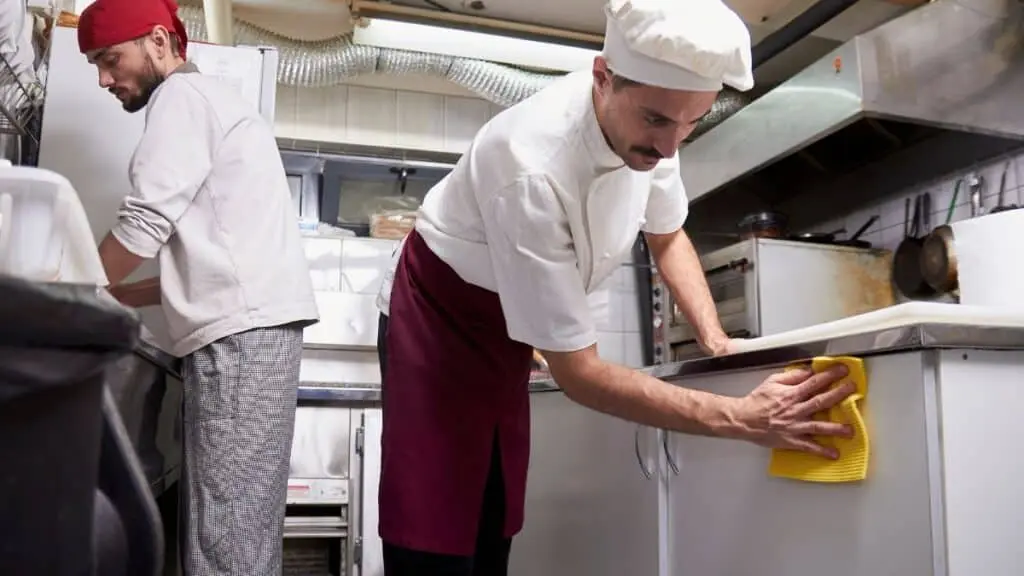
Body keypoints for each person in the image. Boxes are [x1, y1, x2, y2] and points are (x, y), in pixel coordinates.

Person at [374, 0, 858, 574]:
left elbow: (668, 234)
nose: (672, 146)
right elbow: (581, 375)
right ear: (603, 78)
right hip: (441, 319)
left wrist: (718, 342)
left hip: (505, 327)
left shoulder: (661, 124)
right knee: (435, 516)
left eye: (692, 122)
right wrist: (742, 419)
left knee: (494, 507)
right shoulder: (529, 165)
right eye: (657, 121)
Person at [76, 0, 319, 574]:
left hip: (240, 346)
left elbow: (144, 222)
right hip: (252, 337)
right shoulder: (212, 103)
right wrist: (119, 294)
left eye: (110, 59)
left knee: (226, 538)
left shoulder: (182, 100)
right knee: (239, 531)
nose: (105, 79)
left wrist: (69, 290)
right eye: (94, 66)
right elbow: (211, 256)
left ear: (159, 41)